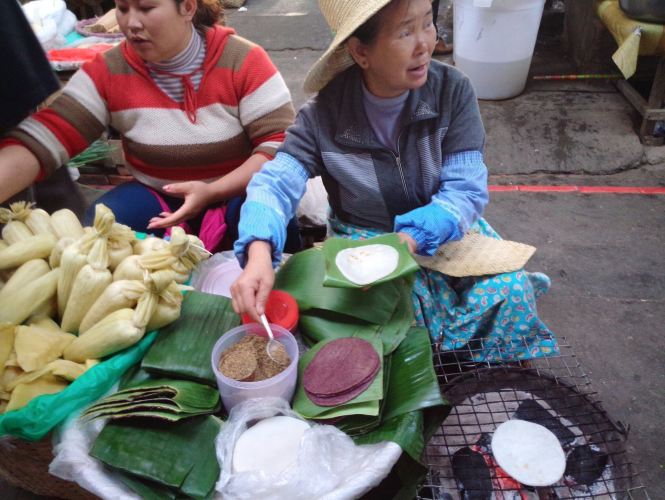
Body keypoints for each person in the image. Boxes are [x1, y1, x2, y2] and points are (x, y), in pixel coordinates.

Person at [227, 0, 558, 362]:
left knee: (510, 290)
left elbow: (465, 189)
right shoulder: (324, 116)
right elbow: (275, 182)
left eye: (427, 24)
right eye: (405, 31)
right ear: (360, 51)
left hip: (446, 225)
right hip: (365, 241)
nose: (424, 44)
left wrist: (415, 236)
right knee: (405, 310)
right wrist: (259, 251)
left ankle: (485, 375)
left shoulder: (453, 93)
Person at [0, 0, 298, 252]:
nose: (131, 23)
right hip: (158, 197)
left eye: (145, 8)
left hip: (238, 193)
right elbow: (48, 137)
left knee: (268, 218)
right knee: (98, 232)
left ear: (188, 7)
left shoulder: (243, 61)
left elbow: (278, 147)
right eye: (123, 8)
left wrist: (213, 191)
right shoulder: (109, 72)